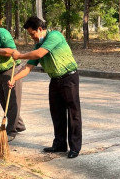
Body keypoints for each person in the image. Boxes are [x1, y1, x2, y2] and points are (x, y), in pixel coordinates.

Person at [8, 16, 81, 158]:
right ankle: (59, 144)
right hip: (55, 80)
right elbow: (28, 67)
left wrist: (20, 55)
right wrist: (14, 79)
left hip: (69, 77)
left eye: (32, 34)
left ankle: (75, 147)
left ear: (40, 29)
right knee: (57, 112)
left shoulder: (55, 36)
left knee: (73, 113)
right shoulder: (37, 46)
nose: (32, 37)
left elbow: (40, 54)